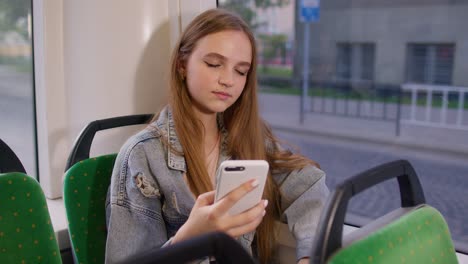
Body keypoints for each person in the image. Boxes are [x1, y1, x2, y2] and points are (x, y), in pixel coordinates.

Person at [105, 8, 329, 264]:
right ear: (182, 65)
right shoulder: (142, 156)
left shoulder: (246, 138)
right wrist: (190, 238)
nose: (228, 80)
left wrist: (309, 256)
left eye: (241, 71)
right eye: (214, 64)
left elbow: (309, 187)